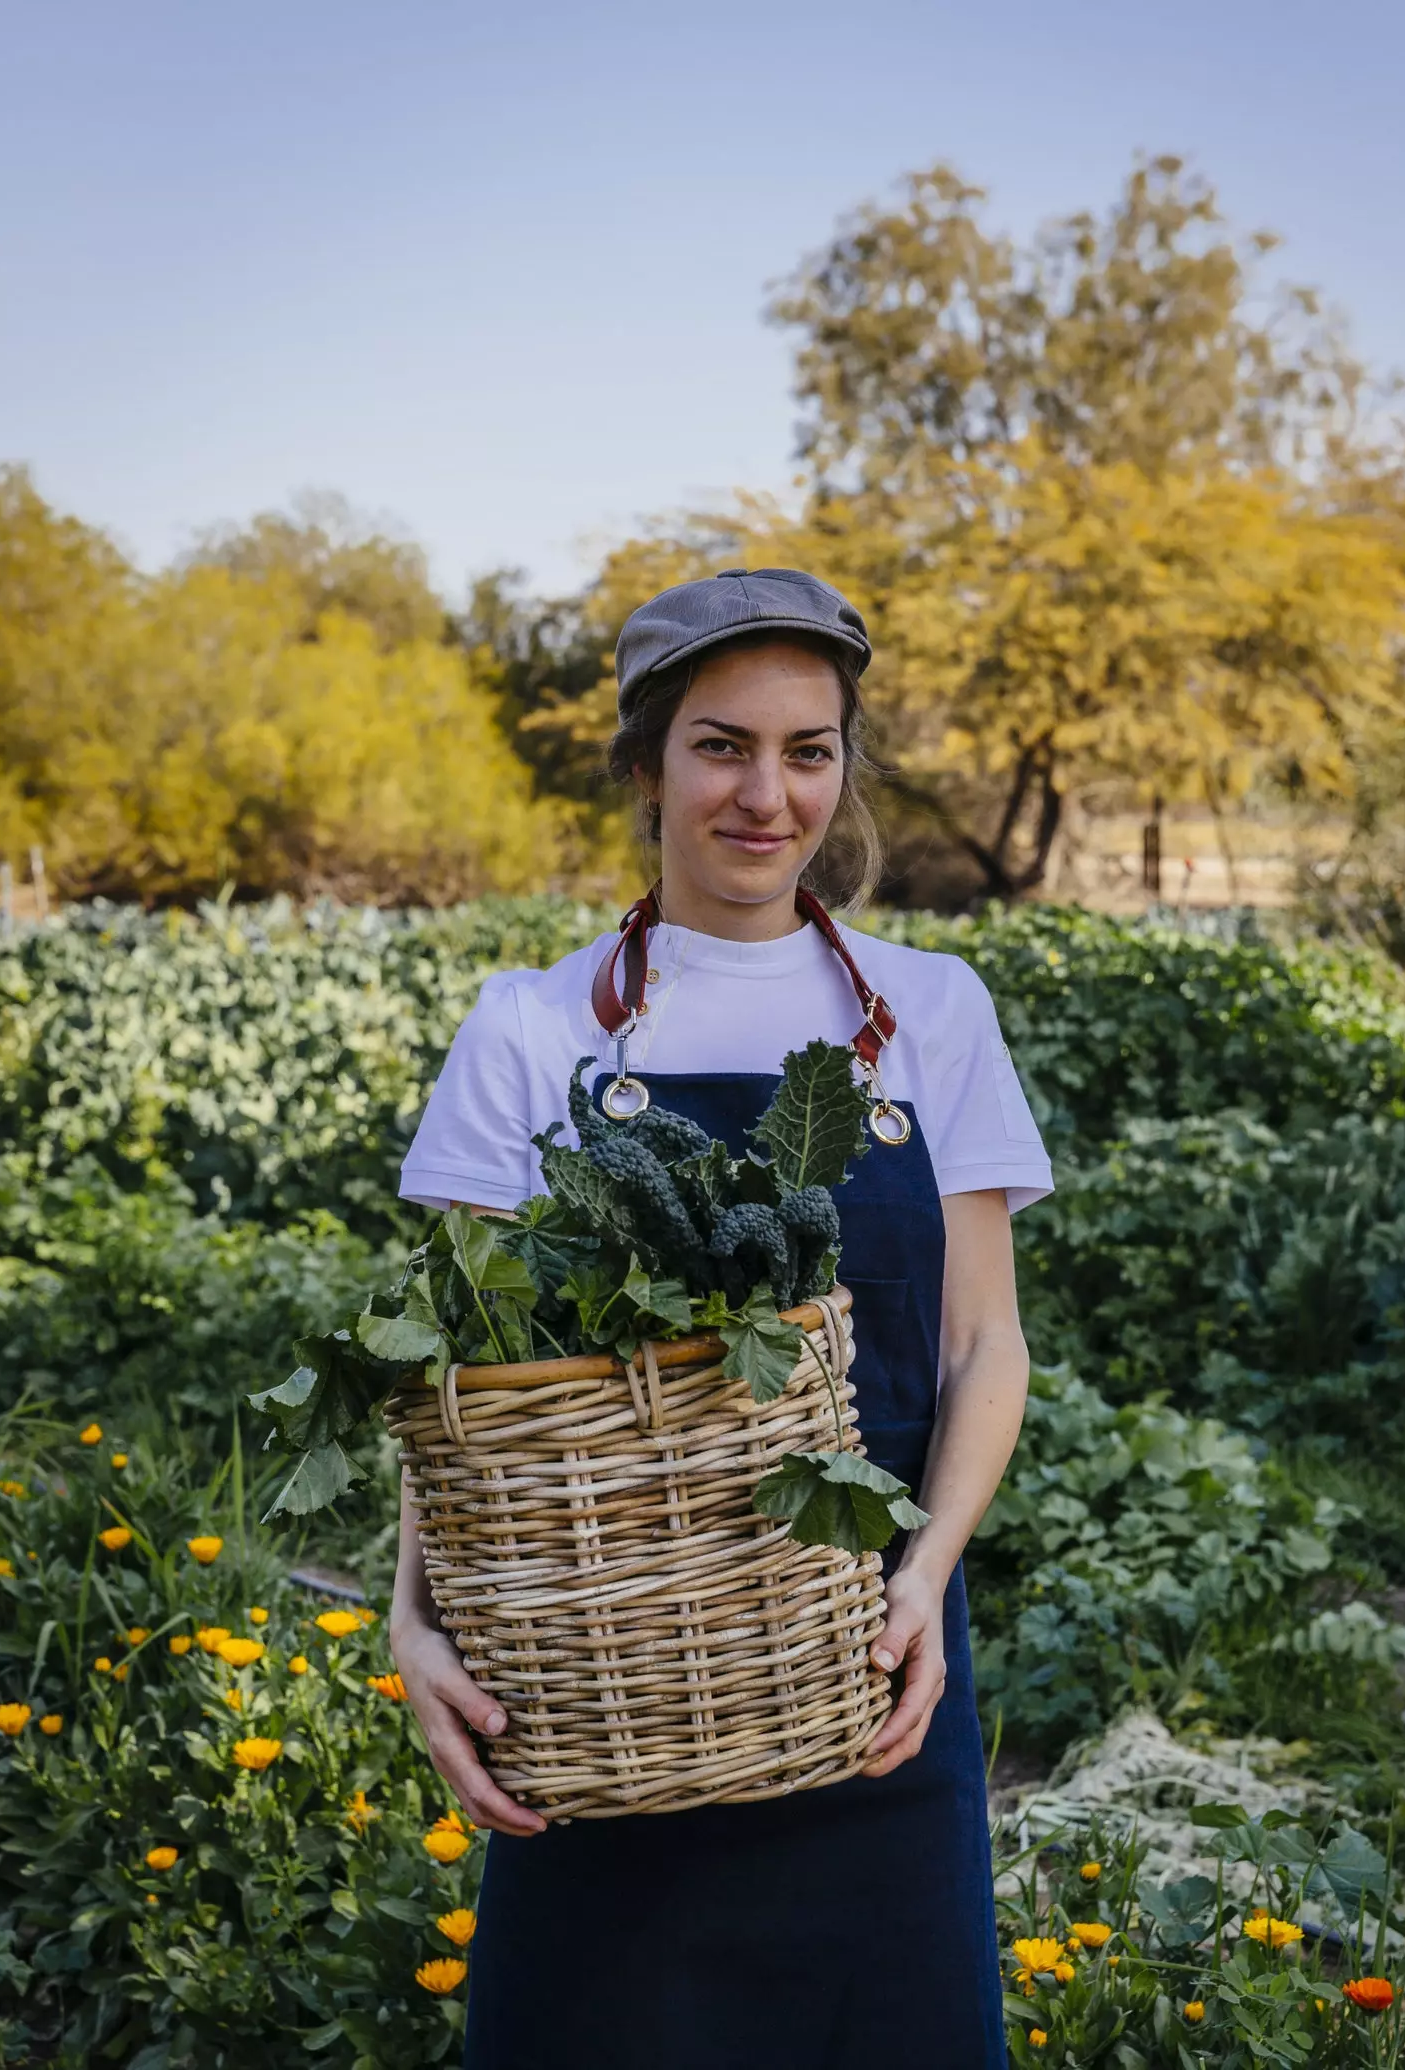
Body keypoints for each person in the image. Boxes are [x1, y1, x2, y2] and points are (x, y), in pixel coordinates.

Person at [389, 567, 1054, 2069]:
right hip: (602, 1688)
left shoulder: (931, 1011)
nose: (768, 795)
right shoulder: (532, 1028)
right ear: (644, 765)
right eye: (720, 745)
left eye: (807, 750)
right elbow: (465, 1389)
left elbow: (980, 1344)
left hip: (868, 1667)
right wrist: (414, 1615)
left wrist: (926, 1576)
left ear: (843, 767)